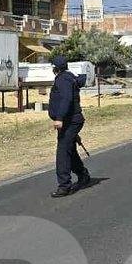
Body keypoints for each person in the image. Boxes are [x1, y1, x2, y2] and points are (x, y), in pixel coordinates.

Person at [48, 52, 90, 197]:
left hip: (69, 120)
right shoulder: (68, 77)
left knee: (63, 153)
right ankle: (83, 175)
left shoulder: (63, 80)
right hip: (71, 120)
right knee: (69, 150)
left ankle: (64, 186)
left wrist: (59, 118)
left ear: (55, 68)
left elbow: (66, 99)